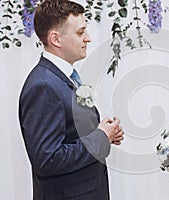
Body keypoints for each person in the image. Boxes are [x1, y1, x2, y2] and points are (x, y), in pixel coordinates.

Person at [18, 0, 124, 199]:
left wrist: (104, 134)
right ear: (56, 39)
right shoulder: (44, 85)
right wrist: (101, 137)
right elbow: (47, 160)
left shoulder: (63, 76)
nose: (88, 38)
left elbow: (70, 133)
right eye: (80, 32)